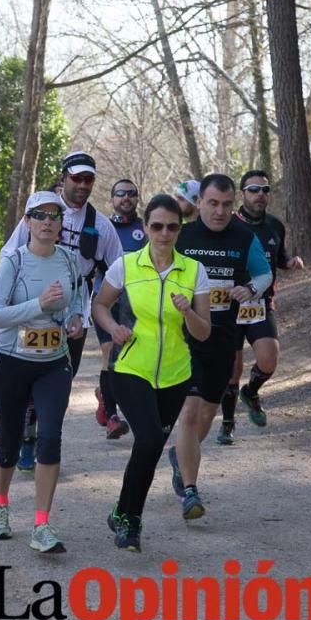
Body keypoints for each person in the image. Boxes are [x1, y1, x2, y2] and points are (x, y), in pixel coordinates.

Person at [93, 194, 210, 551]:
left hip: (175, 375)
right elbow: (99, 305)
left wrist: (188, 310)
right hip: (131, 368)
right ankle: (132, 521)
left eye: (172, 226)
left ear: (180, 229)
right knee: (146, 441)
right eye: (157, 226)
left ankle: (120, 511)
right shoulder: (126, 266)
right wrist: (113, 328)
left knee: (151, 447)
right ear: (145, 228)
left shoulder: (193, 271)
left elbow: (204, 331)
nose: (164, 233)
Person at [1, 151, 123, 470]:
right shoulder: (41, 211)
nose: (82, 185)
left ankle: (45, 439)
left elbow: (119, 271)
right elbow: (9, 253)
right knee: (28, 376)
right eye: (77, 178)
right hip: (32, 305)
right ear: (63, 177)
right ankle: (27, 438)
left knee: (58, 381)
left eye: (89, 179)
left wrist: (100, 305)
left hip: (75, 312)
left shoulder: (102, 226)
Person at [169, 173, 272, 520]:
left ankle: (181, 457)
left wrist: (251, 289)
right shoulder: (182, 236)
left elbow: (264, 274)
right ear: (199, 203)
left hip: (224, 336)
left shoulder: (244, 237)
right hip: (185, 338)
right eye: (212, 203)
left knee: (208, 412)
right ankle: (190, 490)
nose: (219, 211)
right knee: (189, 411)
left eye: (227, 204)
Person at [0, 191, 84, 553]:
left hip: (53, 364)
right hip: (12, 361)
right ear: (26, 222)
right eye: (39, 216)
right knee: (9, 443)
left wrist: (74, 318)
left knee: (50, 438)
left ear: (61, 224)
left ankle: (41, 524)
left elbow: (78, 298)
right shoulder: (13, 261)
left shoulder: (70, 261)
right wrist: (37, 305)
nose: (47, 222)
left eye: (54, 216)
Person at [218, 170, 305, 444]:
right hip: (228, 304)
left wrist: (289, 263)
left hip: (260, 303)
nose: (260, 195)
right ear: (242, 194)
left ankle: (251, 392)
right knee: (232, 368)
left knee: (269, 359)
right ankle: (228, 423)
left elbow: (277, 257)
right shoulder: (227, 224)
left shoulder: (275, 225)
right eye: (253, 189)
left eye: (265, 190)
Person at [91, 179, 147, 440]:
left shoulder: (146, 228)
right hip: (106, 300)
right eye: (120, 193)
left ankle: (106, 395)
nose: (126, 198)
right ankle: (113, 417)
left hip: (137, 303)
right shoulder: (102, 227)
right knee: (109, 353)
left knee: (127, 358)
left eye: (131, 193)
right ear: (112, 198)